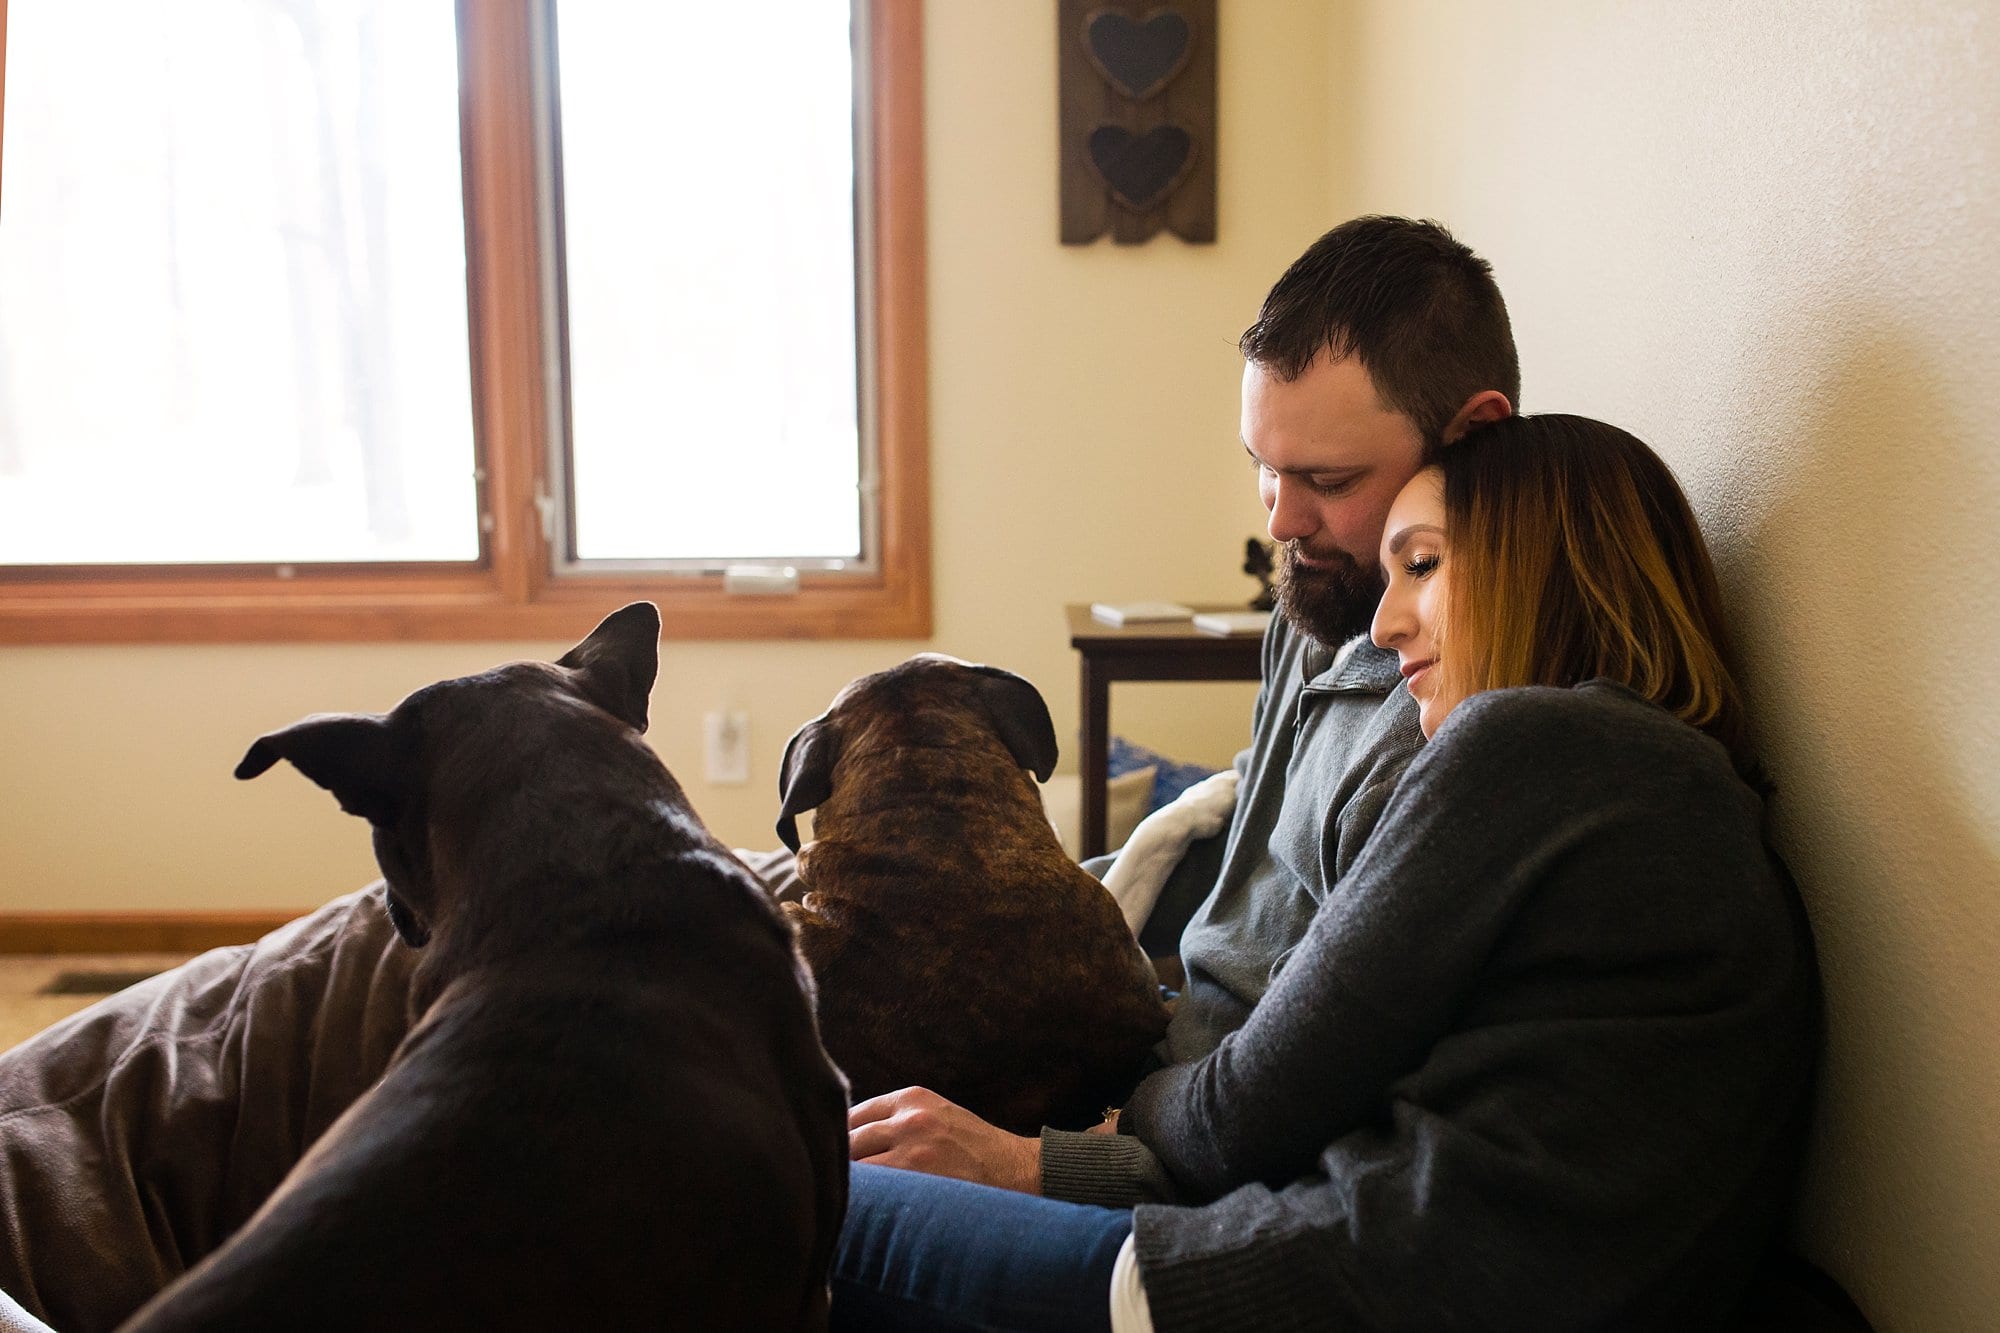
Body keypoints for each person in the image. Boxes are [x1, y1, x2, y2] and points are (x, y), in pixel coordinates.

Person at [0, 218, 1556, 1327]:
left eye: (1326, 482)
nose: (1282, 518)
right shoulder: (1332, 597)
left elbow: (1306, 1117)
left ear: (1474, 440)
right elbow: (1231, 900)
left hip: (1118, 1104)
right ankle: (64, 1163)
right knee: (489, 910)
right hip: (1128, 1021)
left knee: (593, 1033)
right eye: (1262, 470)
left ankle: (76, 1192)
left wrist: (1044, 1156)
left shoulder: (1476, 726)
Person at [831, 415, 1820, 1331]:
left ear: (1542, 569)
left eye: (1421, 565)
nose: (1386, 626)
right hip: (1378, 1268)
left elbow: (1233, 1117)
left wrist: (1105, 1122)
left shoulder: (1530, 743)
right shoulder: (1683, 796)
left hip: (1330, 1286)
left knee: (763, 1188)